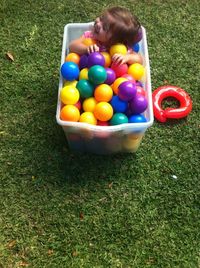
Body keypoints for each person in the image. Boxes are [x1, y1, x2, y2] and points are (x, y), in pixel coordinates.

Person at [69, 6, 142, 65]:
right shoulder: (90, 36)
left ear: (115, 40)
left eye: (104, 27)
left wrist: (127, 57)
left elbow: (139, 59)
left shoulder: (122, 48)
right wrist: (86, 49)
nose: (98, 24)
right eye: (101, 19)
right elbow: (72, 46)